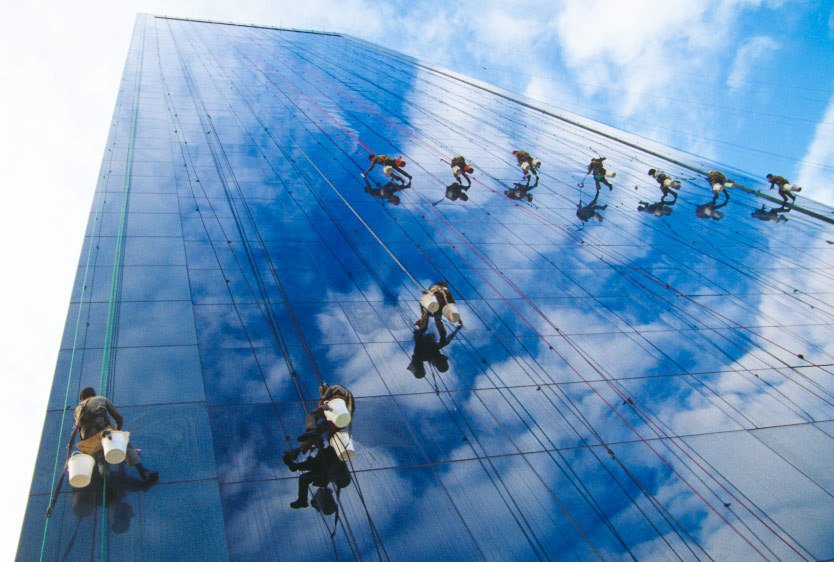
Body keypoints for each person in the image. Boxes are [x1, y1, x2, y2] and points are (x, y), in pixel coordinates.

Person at [73, 387, 158, 484]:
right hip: (104, 436)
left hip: (89, 444)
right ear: (94, 394)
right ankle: (143, 472)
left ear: (82, 399)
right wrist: (117, 438)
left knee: (102, 460)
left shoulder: (77, 409)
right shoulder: (100, 399)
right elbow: (119, 419)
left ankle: (106, 484)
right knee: (124, 442)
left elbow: (79, 430)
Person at [285, 445, 351, 510]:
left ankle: (302, 500)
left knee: (306, 476)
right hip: (325, 466)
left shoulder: (334, 472)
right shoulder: (337, 464)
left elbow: (333, 470)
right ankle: (302, 500)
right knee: (309, 473)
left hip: (324, 469)